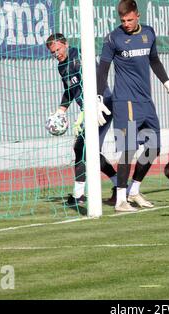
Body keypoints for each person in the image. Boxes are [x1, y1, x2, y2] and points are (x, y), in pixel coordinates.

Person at [96, 0, 169, 212]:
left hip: (146, 102)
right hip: (125, 103)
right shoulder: (113, 38)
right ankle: (121, 200)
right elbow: (103, 69)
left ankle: (134, 190)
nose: (125, 23)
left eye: (129, 19)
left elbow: (154, 60)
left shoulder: (149, 33)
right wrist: (98, 97)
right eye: (122, 20)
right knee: (128, 149)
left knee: (154, 147)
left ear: (137, 15)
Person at [46, 33, 118, 206]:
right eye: (52, 52)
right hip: (88, 110)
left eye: (58, 49)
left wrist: (96, 101)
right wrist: (61, 110)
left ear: (66, 44)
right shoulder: (61, 67)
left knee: (81, 148)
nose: (57, 54)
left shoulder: (79, 56)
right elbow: (70, 90)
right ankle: (119, 186)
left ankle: (78, 195)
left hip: (103, 106)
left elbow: (97, 77)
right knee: (88, 151)